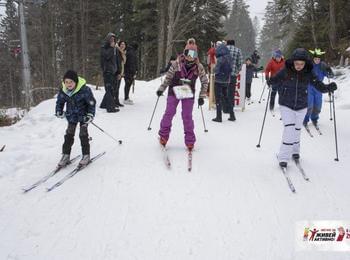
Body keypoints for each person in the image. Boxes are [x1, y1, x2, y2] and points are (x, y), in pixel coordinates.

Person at [268, 48, 337, 168]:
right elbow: (276, 78)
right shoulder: (286, 70)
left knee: (297, 129)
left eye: (301, 64)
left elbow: (319, 86)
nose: (299, 66)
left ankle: (295, 151)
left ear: (305, 63)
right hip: (286, 104)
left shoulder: (309, 73)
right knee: (289, 129)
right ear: (293, 62)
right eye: (296, 63)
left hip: (301, 106)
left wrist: (328, 88)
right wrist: (271, 81)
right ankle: (283, 156)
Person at [156, 38, 208, 151]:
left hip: (188, 92)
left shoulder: (199, 67)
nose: (190, 56)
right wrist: (161, 89)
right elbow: (168, 77)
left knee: (187, 116)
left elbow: (205, 81)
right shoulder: (176, 64)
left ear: (196, 55)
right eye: (187, 53)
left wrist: (202, 96)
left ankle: (190, 141)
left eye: (193, 53)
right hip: (174, 90)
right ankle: (163, 136)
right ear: (184, 53)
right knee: (169, 113)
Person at [55, 70, 96, 167]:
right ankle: (65, 155)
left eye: (71, 82)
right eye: (66, 82)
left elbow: (91, 103)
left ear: (76, 82)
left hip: (84, 116)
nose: (68, 84)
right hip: (71, 116)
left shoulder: (84, 90)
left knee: (83, 134)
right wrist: (59, 111)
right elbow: (60, 102)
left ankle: (86, 155)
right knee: (69, 135)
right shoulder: (64, 90)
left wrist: (90, 115)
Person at [303, 48, 334, 127]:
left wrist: (329, 71)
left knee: (318, 105)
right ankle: (305, 119)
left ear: (320, 59)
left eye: (318, 59)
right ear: (313, 59)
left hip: (319, 88)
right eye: (315, 59)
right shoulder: (310, 65)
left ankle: (314, 118)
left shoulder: (322, 66)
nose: (317, 60)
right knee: (309, 105)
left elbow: (330, 75)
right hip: (310, 87)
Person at [212, 43, 234, 122]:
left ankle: (219, 117)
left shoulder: (220, 58)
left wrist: (214, 68)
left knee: (218, 98)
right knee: (226, 97)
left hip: (218, 80)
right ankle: (232, 115)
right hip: (226, 80)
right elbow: (231, 68)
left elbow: (216, 70)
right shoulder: (229, 58)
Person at [100, 32, 120, 113]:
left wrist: (118, 72)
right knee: (109, 89)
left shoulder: (115, 49)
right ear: (108, 39)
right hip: (107, 71)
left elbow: (117, 61)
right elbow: (107, 56)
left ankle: (104, 104)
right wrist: (112, 48)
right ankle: (110, 108)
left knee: (112, 89)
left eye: (114, 39)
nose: (112, 40)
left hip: (114, 71)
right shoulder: (104, 48)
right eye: (111, 39)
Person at [226, 39, 243, 119]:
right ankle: (231, 110)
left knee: (223, 91)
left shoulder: (224, 49)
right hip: (233, 75)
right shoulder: (238, 50)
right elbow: (240, 63)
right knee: (231, 93)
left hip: (224, 75)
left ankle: (224, 108)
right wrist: (236, 71)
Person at [115, 40, 127, 107]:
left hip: (121, 73)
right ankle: (115, 101)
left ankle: (116, 101)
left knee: (117, 88)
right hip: (117, 73)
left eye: (124, 44)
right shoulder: (118, 52)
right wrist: (118, 73)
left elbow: (122, 63)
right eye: (121, 44)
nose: (123, 45)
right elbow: (117, 64)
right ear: (119, 45)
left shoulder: (123, 53)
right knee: (115, 88)